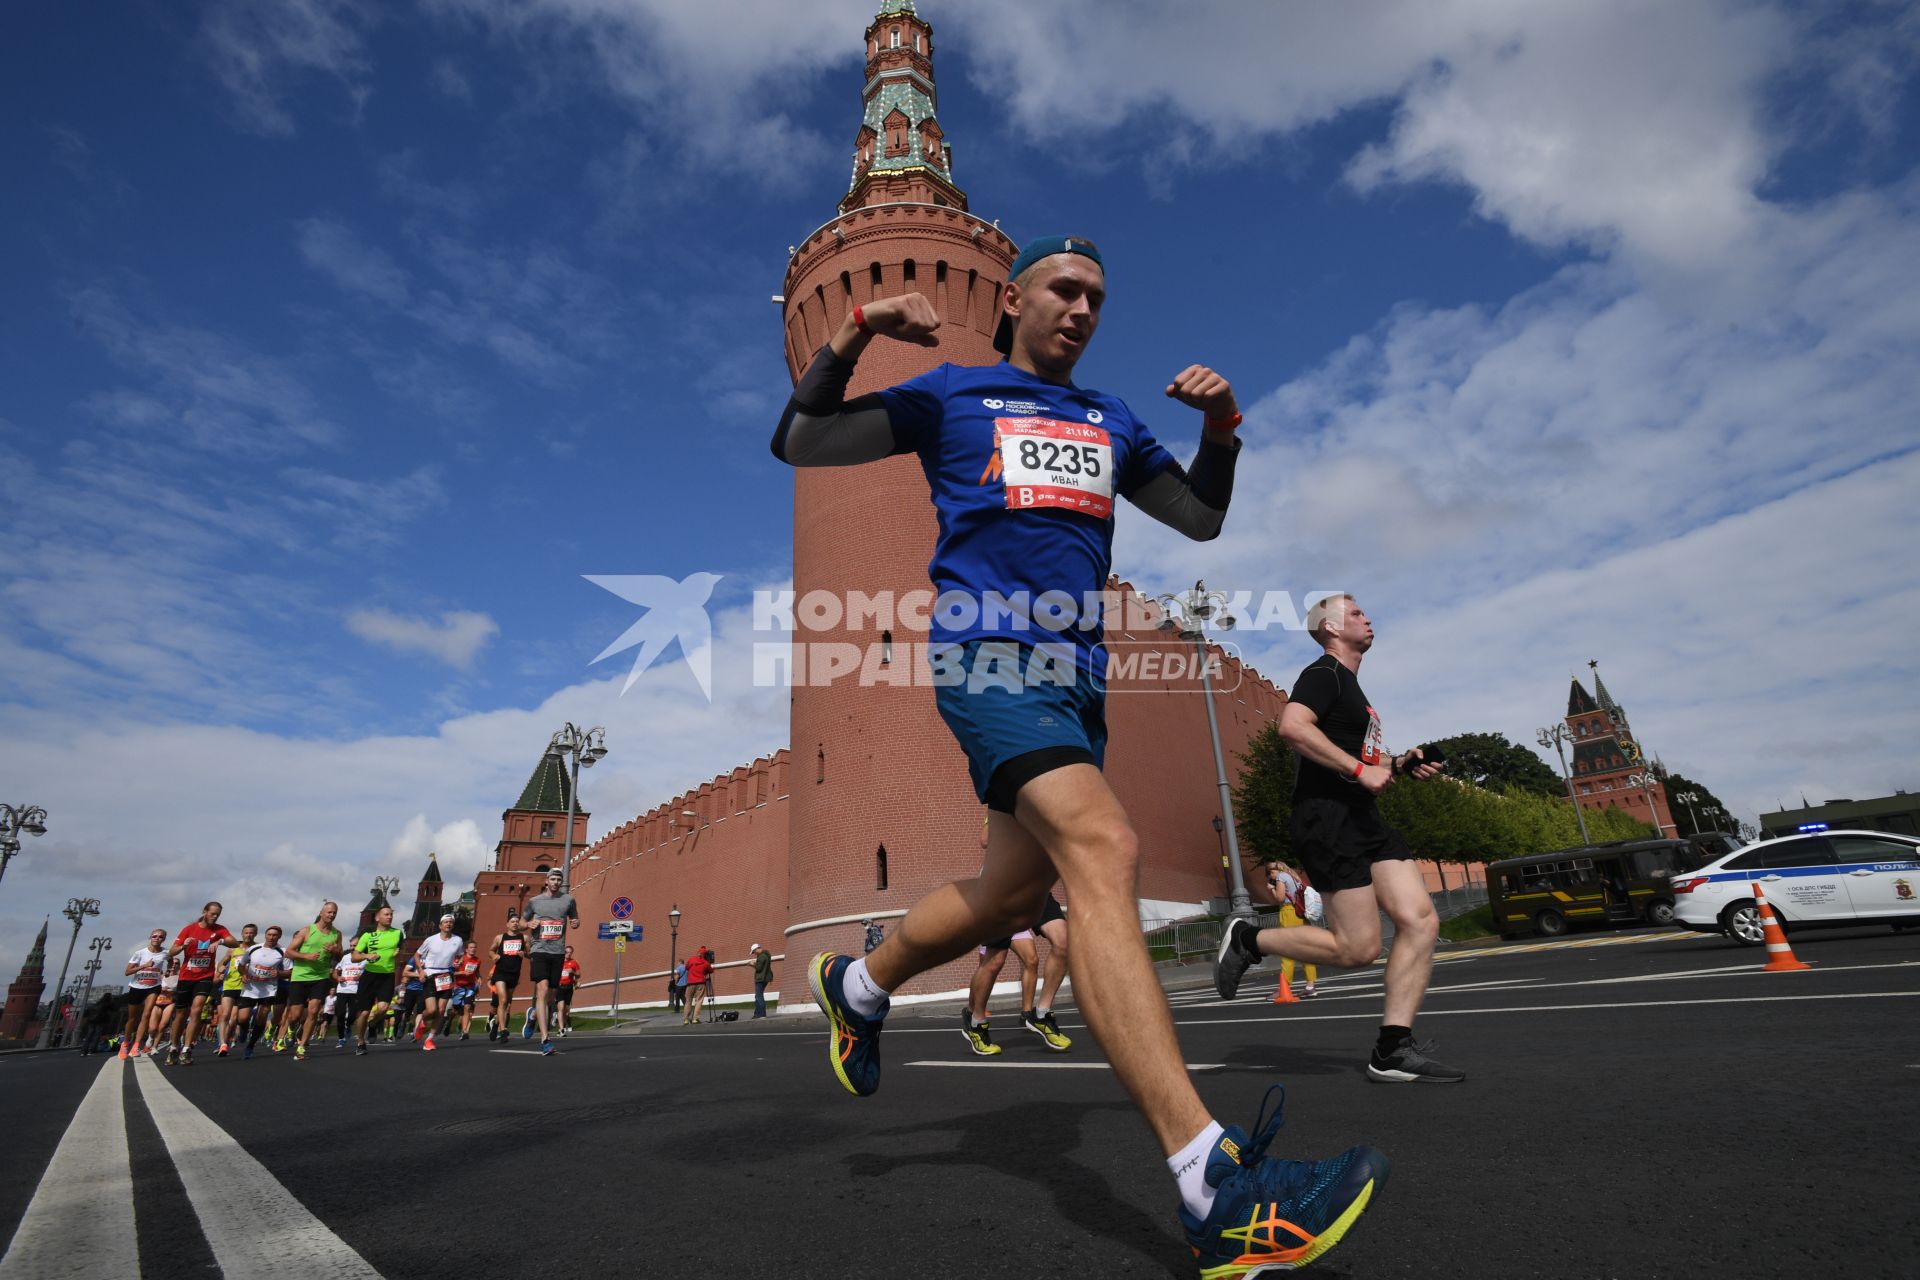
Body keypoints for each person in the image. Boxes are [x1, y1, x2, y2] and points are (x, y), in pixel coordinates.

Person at [775, 234, 1387, 1271]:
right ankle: (1213, 1185)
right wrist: (859, 327)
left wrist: (1224, 427)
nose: (1083, 308)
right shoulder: (952, 393)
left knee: (1011, 896)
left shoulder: (1110, 420)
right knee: (1104, 846)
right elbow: (802, 439)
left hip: (1079, 681)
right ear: (1009, 299)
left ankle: (862, 986)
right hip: (988, 655)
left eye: (1097, 298)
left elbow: (1198, 520)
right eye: (1064, 289)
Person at [1214, 594, 1461, 1084]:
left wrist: (1403, 764)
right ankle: (1249, 939)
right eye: (1355, 613)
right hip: (1327, 818)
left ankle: (1392, 1048)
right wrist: (1356, 768)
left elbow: (1367, 765)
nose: (1367, 617)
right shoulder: (1323, 674)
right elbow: (1291, 726)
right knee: (1358, 949)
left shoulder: (1353, 690)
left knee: (1419, 919)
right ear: (1329, 627)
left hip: (1362, 817)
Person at [165, 901, 247, 1066]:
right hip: (186, 976)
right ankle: (173, 1047)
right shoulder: (189, 929)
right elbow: (171, 952)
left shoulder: (219, 929)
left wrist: (220, 942)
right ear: (204, 912)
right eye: (212, 913)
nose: (215, 917)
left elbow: (234, 943)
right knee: (181, 1014)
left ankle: (187, 1049)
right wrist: (183, 945)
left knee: (196, 1010)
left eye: (218, 914)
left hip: (205, 976)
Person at [522, 870, 579, 1055]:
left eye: (558, 880)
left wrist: (575, 923)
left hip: (558, 951)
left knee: (551, 997)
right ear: (546, 881)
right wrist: (528, 924)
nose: (555, 882)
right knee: (543, 989)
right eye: (552, 879)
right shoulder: (535, 901)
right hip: (539, 950)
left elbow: (574, 918)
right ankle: (545, 1040)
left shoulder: (568, 900)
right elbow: (522, 921)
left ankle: (532, 1016)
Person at [284, 902, 344, 1062]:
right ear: (322, 912)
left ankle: (302, 1046)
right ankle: (291, 1029)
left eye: (334, 913)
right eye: (329, 912)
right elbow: (289, 952)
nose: (331, 915)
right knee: (295, 1015)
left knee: (313, 1011)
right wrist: (306, 957)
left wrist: (335, 951)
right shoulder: (307, 930)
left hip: (321, 977)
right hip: (300, 976)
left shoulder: (336, 934)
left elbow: (339, 957)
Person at [350, 904, 404, 1056]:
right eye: (386, 914)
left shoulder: (398, 933)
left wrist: (397, 955)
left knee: (383, 1008)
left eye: (391, 914)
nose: (389, 916)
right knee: (364, 1012)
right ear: (377, 917)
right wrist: (367, 956)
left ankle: (373, 1024)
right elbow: (355, 956)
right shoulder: (368, 936)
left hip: (387, 975)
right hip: (369, 975)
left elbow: (399, 956)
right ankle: (361, 1042)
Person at [233, 926, 290, 1059]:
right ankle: (243, 1029)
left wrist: (279, 973)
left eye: (275, 935)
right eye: (269, 934)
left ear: (279, 937)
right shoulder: (253, 949)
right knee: (242, 1018)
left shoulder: (283, 952)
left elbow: (289, 971)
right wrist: (243, 974)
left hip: (269, 989)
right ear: (265, 935)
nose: (271, 937)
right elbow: (241, 965)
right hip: (251, 988)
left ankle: (250, 1046)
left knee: (261, 1018)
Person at [414, 914, 463, 1052]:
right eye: (446, 922)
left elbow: (460, 955)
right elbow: (417, 955)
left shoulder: (458, 940)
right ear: (440, 925)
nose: (448, 924)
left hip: (446, 976)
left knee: (441, 1011)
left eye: (451, 922)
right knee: (432, 1010)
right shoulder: (431, 940)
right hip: (430, 974)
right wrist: (421, 971)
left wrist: (458, 962)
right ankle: (421, 1021)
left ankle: (429, 1039)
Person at [1269, 863, 1318, 999]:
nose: (1270, 876)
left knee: (1287, 951)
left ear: (1277, 870)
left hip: (1289, 913)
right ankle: (1310, 986)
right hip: (1301, 914)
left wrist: (1272, 889)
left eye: (1270, 872)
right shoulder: (1295, 877)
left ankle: (1285, 986)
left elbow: (1280, 898)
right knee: (1306, 951)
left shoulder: (1281, 877)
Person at [120, 929, 170, 1059]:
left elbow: (170, 961)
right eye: (155, 936)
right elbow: (127, 972)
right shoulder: (140, 953)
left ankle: (136, 1046)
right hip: (137, 986)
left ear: (163, 939)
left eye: (160, 937)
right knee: (132, 1018)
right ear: (150, 937)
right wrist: (144, 966)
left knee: (146, 1014)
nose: (157, 938)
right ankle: (125, 1043)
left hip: (153, 986)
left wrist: (167, 972)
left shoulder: (165, 953)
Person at [214, 922, 259, 1055]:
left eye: (251, 933)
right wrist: (221, 969)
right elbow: (221, 964)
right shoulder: (233, 949)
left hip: (247, 987)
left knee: (239, 1018)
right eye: (246, 932)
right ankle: (223, 1044)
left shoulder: (257, 949)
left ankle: (243, 1028)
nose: (248, 935)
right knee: (225, 1015)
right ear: (242, 934)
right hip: (230, 984)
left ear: (255, 934)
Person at [487, 915, 526, 1041]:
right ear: (507, 924)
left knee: (507, 1002)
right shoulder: (499, 937)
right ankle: (503, 1030)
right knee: (502, 1001)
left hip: (514, 973)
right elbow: (491, 951)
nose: (515, 923)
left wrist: (524, 954)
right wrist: (494, 956)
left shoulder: (524, 938)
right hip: (500, 972)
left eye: (517, 921)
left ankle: (496, 1025)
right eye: (512, 921)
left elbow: (531, 954)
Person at [450, 941, 483, 1039]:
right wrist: (463, 973)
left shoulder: (477, 960)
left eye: (475, 947)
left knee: (467, 1008)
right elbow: (451, 973)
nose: (473, 949)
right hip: (459, 987)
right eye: (471, 947)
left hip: (470, 987)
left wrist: (480, 979)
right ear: (466, 949)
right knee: (455, 1008)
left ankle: (464, 1031)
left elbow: (477, 972)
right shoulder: (460, 959)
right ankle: (449, 1021)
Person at [682, 946, 712, 1025]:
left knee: (688, 1001)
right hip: (700, 983)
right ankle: (695, 1019)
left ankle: (686, 1019)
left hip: (690, 983)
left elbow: (686, 967)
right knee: (698, 1001)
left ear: (698, 952)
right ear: (704, 955)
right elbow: (711, 970)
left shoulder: (691, 959)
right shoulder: (705, 962)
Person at [555, 945, 580, 1036]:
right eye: (566, 952)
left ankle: (560, 1025)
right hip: (559, 987)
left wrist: (572, 972)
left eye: (570, 952)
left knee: (566, 1010)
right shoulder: (558, 962)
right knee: (561, 1007)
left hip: (569, 988)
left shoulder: (574, 962)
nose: (568, 954)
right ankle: (562, 1029)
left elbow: (578, 975)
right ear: (563, 952)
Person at [750, 943, 773, 1019]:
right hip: (765, 978)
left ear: (756, 949)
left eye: (753, 952)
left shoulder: (761, 957)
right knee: (758, 996)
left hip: (761, 978)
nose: (754, 954)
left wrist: (752, 964)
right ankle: (757, 1014)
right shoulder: (766, 955)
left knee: (759, 996)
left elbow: (759, 968)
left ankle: (762, 1014)